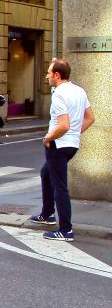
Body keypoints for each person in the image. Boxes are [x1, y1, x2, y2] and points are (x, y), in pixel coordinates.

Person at [30, 59, 95, 241]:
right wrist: (75, 133)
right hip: (71, 144)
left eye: (49, 73)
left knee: (60, 186)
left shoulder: (59, 94)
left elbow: (63, 125)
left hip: (58, 145)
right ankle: (47, 213)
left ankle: (66, 230)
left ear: (57, 75)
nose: (47, 76)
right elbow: (90, 118)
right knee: (45, 172)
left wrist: (48, 137)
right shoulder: (79, 91)